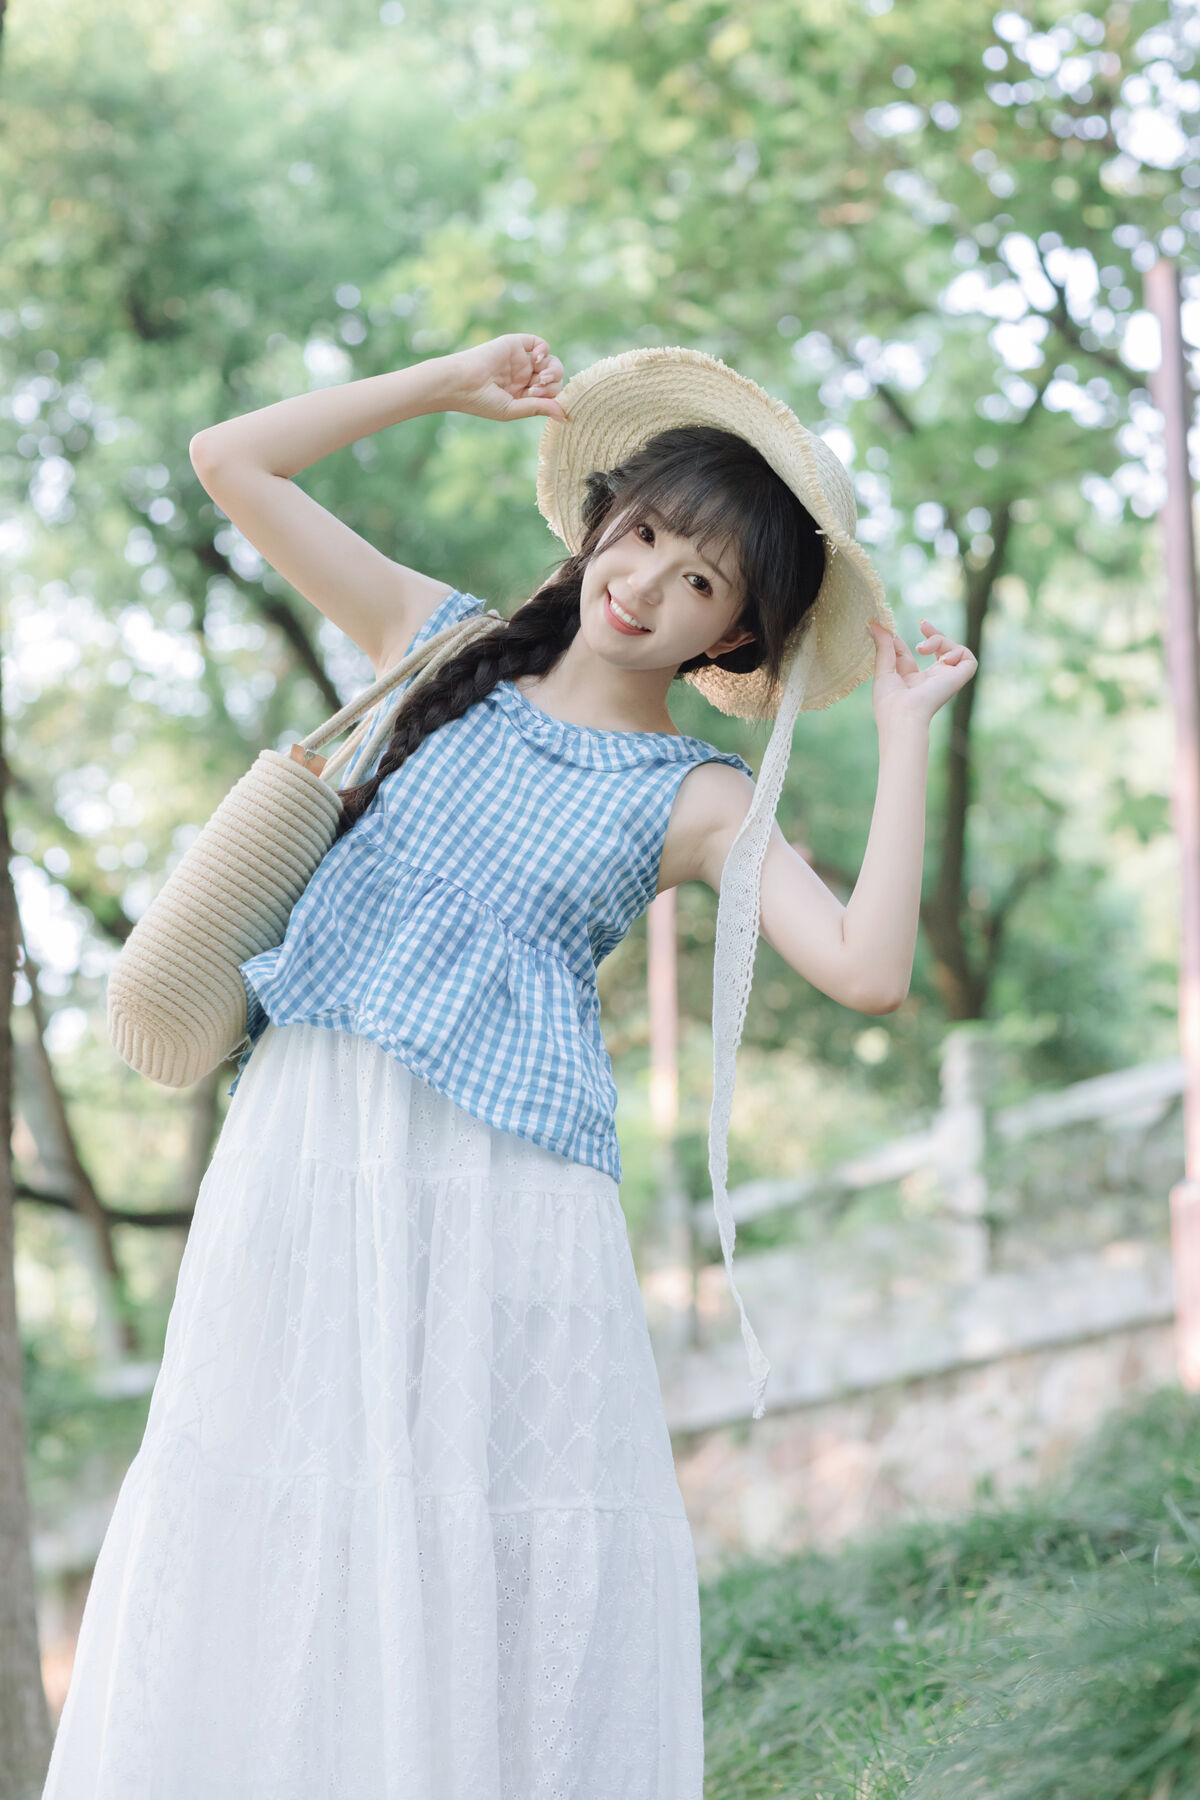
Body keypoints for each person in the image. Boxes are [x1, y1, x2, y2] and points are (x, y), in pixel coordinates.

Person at [41, 333, 976, 1800]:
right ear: (603, 516)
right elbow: (231, 460)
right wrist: (440, 384)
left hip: (504, 1188)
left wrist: (908, 735)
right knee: (275, 1479)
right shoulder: (436, 641)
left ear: (736, 640)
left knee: (465, 1527)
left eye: (702, 583)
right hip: (311, 1140)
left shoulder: (696, 794)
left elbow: (868, 968)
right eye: (647, 532)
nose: (648, 584)